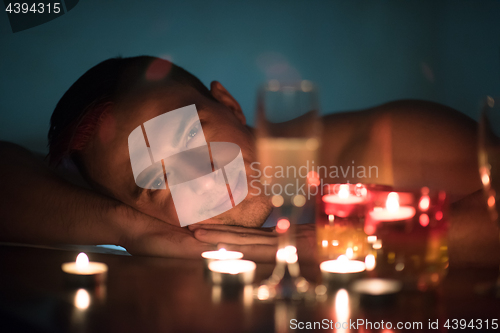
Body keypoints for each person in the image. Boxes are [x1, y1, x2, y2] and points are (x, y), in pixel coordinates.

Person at [0, 56, 498, 265]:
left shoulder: (385, 143)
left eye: (189, 135)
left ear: (231, 105)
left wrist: (339, 242)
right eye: (154, 183)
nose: (196, 175)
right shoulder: (152, 221)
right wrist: (130, 230)